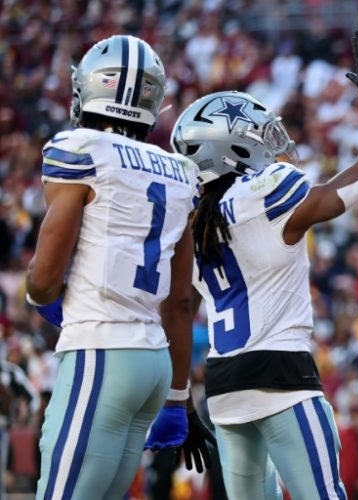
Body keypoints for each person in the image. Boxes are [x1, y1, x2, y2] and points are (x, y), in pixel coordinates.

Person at [169, 30, 358, 499]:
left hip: (224, 384)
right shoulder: (267, 191)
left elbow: (178, 308)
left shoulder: (194, 223)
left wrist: (180, 401)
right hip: (281, 374)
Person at [25, 34, 208, 499]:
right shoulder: (181, 172)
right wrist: (179, 396)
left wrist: (43, 300)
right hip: (154, 365)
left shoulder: (82, 149)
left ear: (91, 87)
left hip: (100, 351)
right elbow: (182, 300)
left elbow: (45, 278)